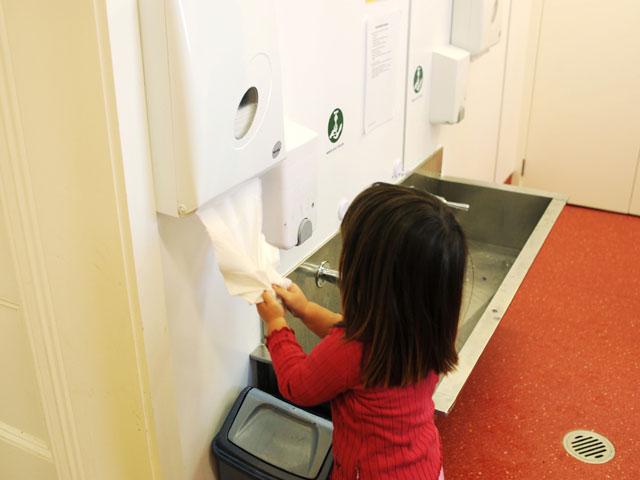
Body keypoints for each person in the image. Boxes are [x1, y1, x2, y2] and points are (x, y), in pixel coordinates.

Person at [257, 182, 467, 480]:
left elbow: (297, 385)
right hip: (426, 468)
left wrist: (276, 324)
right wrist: (305, 309)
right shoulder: (429, 331)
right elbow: (354, 335)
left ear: (366, 278)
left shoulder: (351, 350)